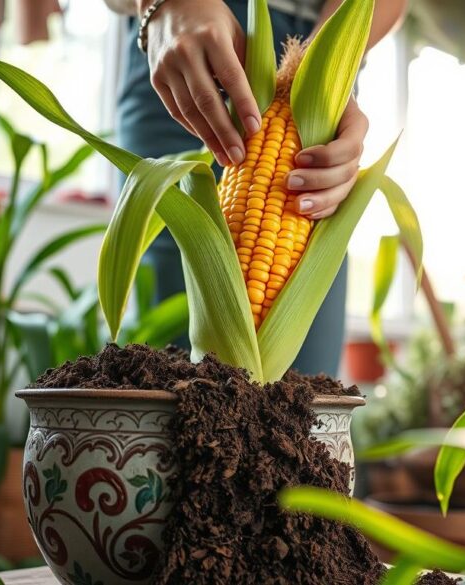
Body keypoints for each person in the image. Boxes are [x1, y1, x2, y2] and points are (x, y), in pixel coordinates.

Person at [105, 0, 407, 376]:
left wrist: (329, 63)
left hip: (326, 40)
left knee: (305, 396)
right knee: (166, 373)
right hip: (192, 45)